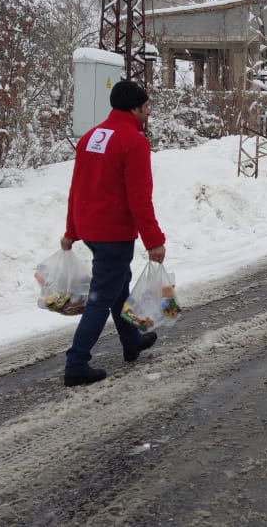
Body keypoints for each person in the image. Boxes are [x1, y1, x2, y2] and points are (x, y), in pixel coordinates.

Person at [60, 80, 165, 387]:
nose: (149, 111)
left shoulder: (92, 137)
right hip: (113, 232)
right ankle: (76, 362)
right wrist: (154, 240)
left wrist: (71, 230)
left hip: (90, 228)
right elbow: (139, 198)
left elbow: (76, 187)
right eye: (146, 106)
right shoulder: (133, 141)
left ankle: (131, 340)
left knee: (118, 284)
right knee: (101, 297)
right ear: (135, 108)